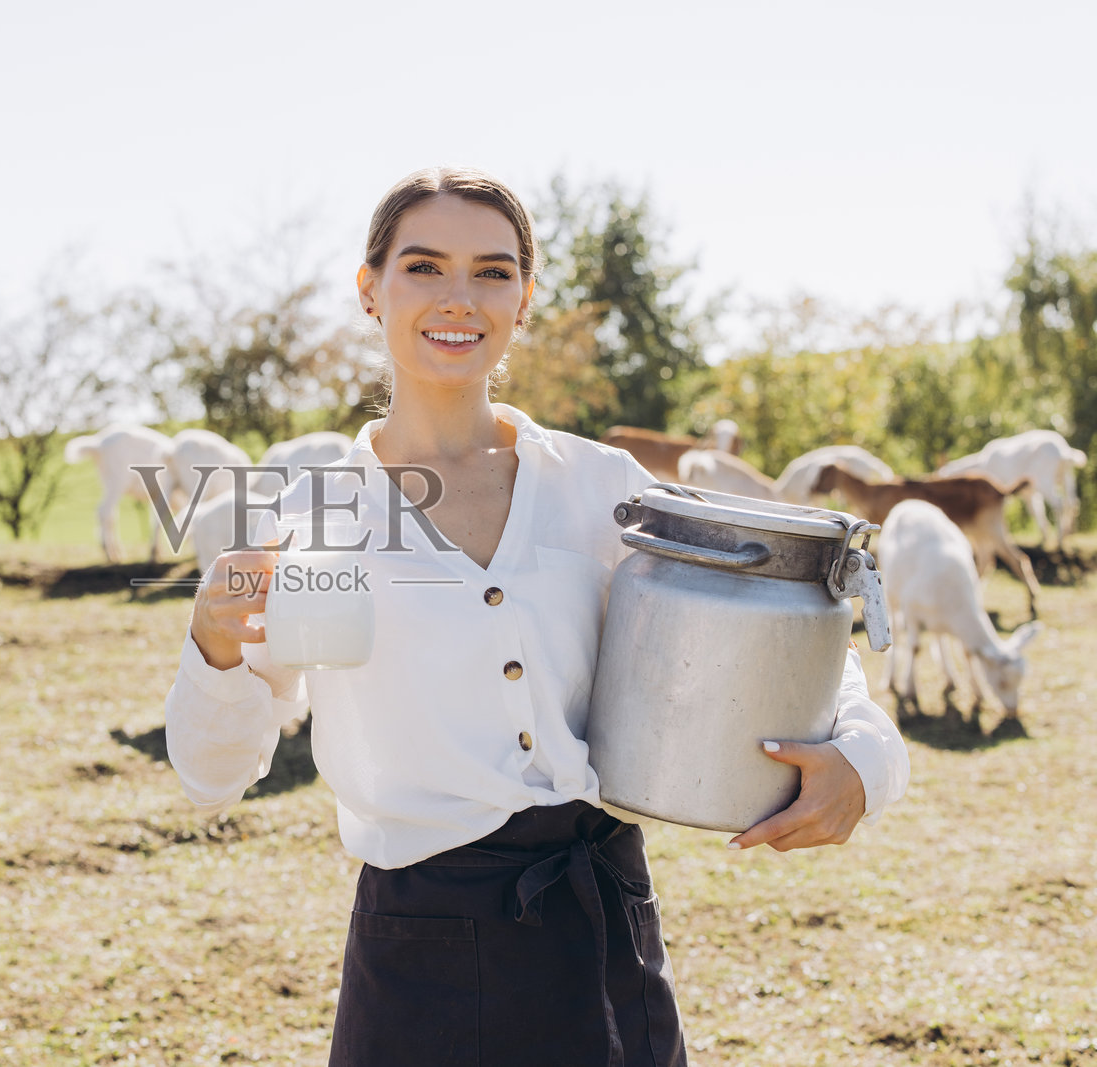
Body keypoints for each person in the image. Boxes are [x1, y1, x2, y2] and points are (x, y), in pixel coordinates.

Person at [163, 166, 909, 1066]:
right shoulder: (314, 526)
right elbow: (214, 775)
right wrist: (213, 648)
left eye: (493, 270)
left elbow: (789, 624)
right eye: (424, 266)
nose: (459, 298)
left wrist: (865, 762)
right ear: (371, 289)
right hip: (419, 960)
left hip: (604, 927)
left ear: (524, 298)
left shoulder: (604, 491)